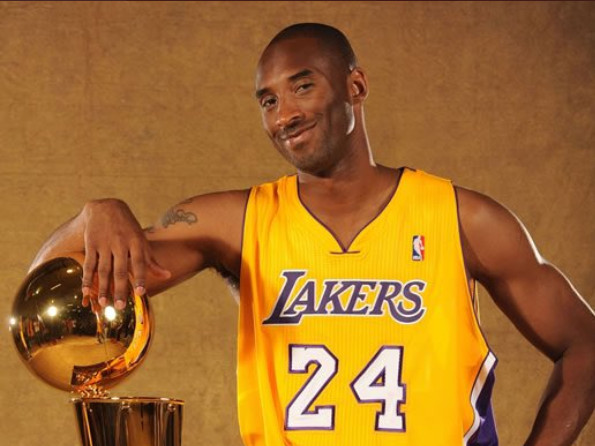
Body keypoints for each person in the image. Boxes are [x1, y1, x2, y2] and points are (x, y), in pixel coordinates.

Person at [30, 23, 594, 446]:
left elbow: (586, 345)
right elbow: (49, 290)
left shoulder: (460, 218)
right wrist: (92, 217)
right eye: (269, 101)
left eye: (303, 87)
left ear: (356, 85)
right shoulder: (238, 223)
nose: (285, 115)